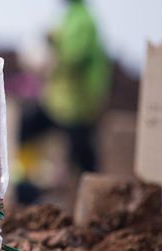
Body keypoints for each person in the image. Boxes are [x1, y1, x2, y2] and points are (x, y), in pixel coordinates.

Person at [42, 0, 110, 172]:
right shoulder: (71, 15)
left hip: (78, 100)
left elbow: (74, 55)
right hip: (64, 100)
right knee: (79, 149)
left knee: (81, 151)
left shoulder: (83, 19)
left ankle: (91, 189)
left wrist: (54, 42)